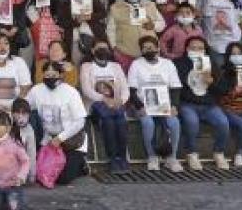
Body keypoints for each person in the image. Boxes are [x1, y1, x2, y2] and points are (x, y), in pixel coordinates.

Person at [127, 35, 183, 172]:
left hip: (164, 105)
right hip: (142, 104)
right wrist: (140, 107)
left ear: (158, 48)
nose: (148, 50)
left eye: (151, 47)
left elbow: (175, 87)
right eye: (145, 48)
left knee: (174, 122)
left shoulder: (168, 64)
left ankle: (172, 157)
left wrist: (174, 106)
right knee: (148, 123)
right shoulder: (136, 64)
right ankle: (152, 157)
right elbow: (132, 90)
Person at [174, 35, 231, 170]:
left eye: (200, 48)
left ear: (205, 50)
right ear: (187, 49)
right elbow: (176, 88)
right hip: (188, 103)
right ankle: (192, 153)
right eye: (193, 48)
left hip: (209, 105)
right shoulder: (178, 63)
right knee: (191, 122)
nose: (196, 50)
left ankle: (219, 153)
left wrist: (211, 83)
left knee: (223, 122)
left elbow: (222, 90)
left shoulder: (211, 63)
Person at [27, 61, 89, 184]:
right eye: (47, 75)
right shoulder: (36, 91)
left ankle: (82, 164)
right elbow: (25, 106)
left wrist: (60, 138)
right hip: (48, 141)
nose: (50, 78)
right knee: (41, 174)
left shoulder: (71, 92)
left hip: (71, 141)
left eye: (54, 75)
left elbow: (80, 121)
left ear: (61, 75)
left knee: (62, 178)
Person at [80, 38, 129, 172]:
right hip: (95, 106)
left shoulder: (116, 66)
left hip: (116, 104)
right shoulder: (87, 67)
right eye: (99, 48)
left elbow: (125, 88)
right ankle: (112, 158)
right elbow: (86, 89)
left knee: (120, 121)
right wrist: (104, 99)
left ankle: (122, 157)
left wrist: (120, 100)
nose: (103, 51)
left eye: (105, 48)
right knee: (108, 122)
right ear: (92, 51)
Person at [107, 0, 165, 73]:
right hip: (126, 52)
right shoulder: (115, 8)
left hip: (150, 51)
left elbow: (162, 24)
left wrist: (153, 25)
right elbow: (110, 30)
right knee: (130, 81)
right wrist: (114, 49)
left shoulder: (150, 5)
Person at [54, 0, 106, 67]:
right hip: (74, 39)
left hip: (94, 35)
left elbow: (103, 12)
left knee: (95, 65)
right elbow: (62, 22)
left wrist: (90, 16)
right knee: (77, 65)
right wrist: (76, 21)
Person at [203, 0, 242, 66]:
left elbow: (238, 22)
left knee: (234, 71)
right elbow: (200, 15)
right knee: (220, 73)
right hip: (215, 45)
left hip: (234, 43)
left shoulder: (233, 2)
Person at [10, 98, 36, 182]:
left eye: (24, 113)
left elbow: (31, 153)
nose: (20, 116)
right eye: (17, 113)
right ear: (12, 113)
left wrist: (32, 175)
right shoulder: (8, 126)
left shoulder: (29, 130)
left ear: (29, 115)